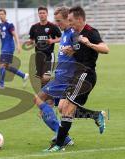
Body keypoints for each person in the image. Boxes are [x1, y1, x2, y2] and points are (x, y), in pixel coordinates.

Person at [45, 5, 110, 152]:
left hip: (86, 75)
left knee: (68, 109)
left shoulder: (91, 32)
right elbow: (78, 50)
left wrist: (89, 43)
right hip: (76, 76)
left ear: (79, 19)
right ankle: (96, 115)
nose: (69, 23)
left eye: (71, 20)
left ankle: (59, 144)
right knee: (62, 108)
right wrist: (71, 50)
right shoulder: (75, 34)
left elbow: (106, 49)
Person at [33, 6, 77, 147]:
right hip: (60, 76)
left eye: (60, 21)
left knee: (40, 100)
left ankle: (62, 136)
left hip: (66, 78)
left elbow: (80, 51)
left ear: (68, 20)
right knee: (56, 108)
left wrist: (73, 50)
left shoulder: (72, 34)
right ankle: (62, 135)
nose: (57, 23)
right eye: (56, 21)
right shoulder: (64, 33)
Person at [25, 6, 61, 88]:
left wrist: (52, 41)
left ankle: (48, 96)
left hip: (49, 56)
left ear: (47, 14)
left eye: (43, 13)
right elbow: (31, 40)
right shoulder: (34, 27)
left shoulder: (53, 26)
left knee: (46, 77)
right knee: (42, 79)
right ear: (38, 14)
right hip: (38, 56)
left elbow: (61, 37)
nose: (42, 15)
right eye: (40, 13)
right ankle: (46, 97)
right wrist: (29, 42)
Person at [0, 8, 29, 89]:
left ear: (5, 14)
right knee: (6, 67)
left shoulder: (9, 25)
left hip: (9, 48)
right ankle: (23, 75)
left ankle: (1, 85)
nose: (1, 16)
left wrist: (18, 45)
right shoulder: (0, 26)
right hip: (3, 48)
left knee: (1, 65)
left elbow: (15, 35)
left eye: (2, 14)